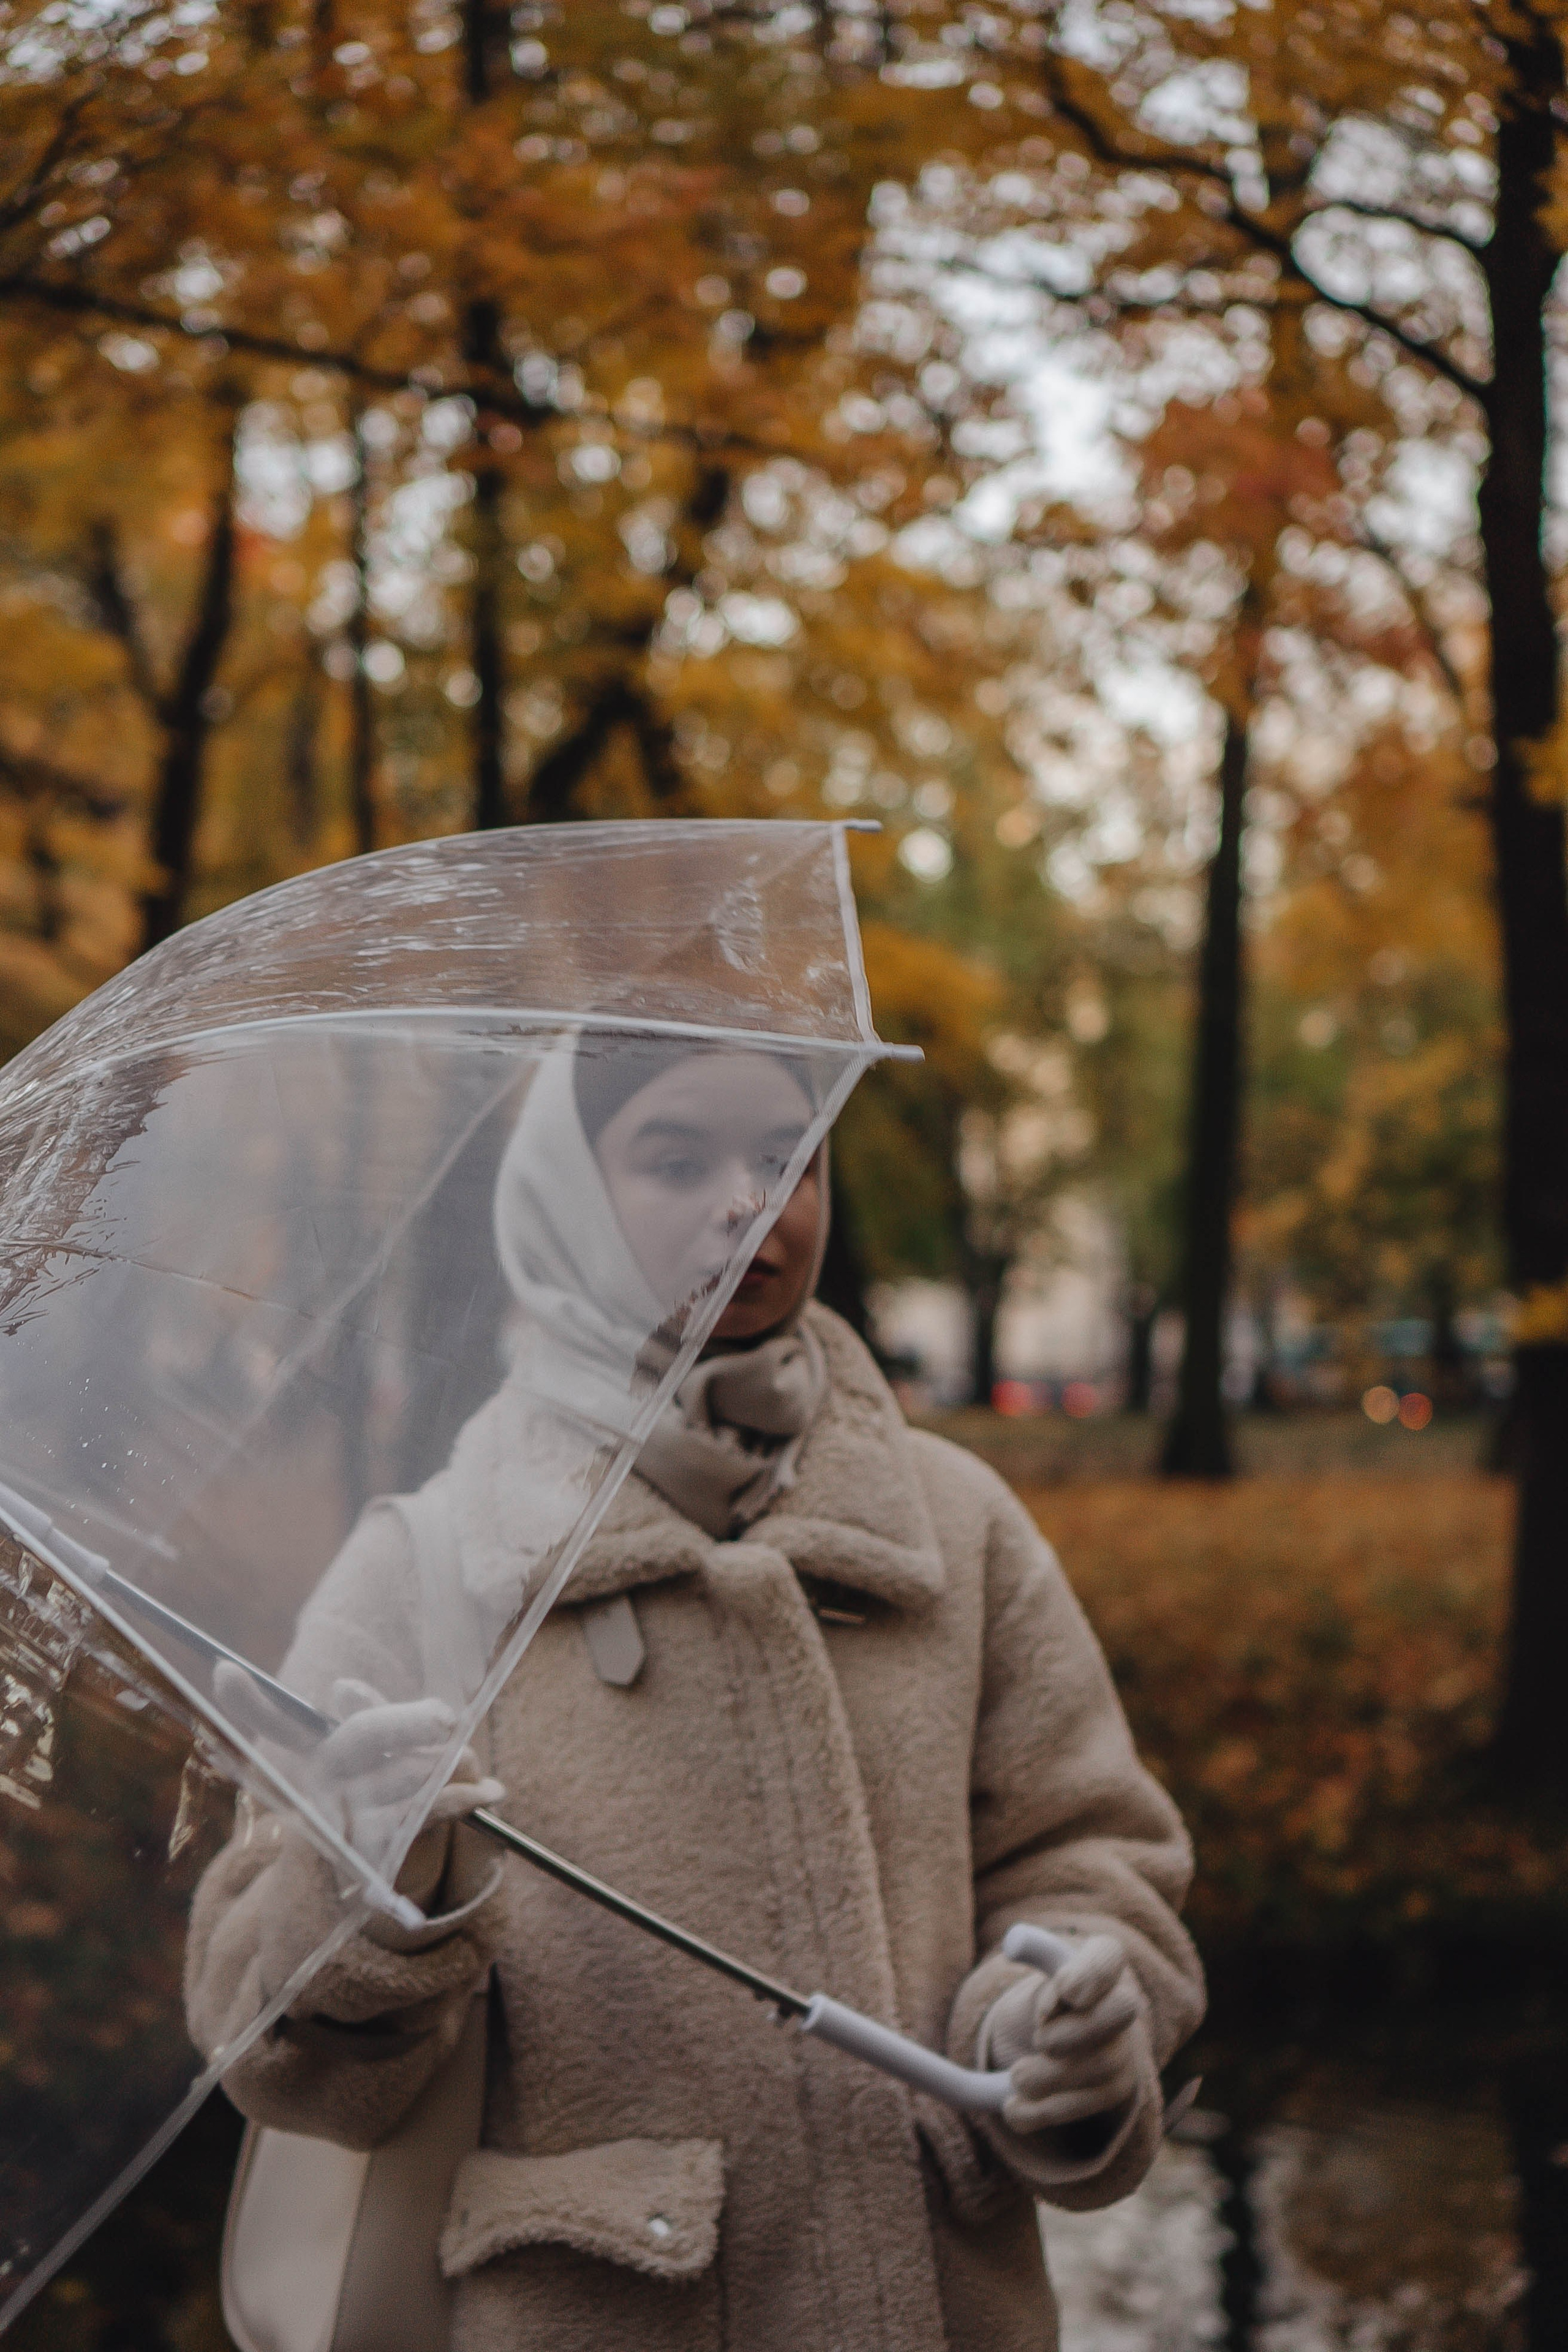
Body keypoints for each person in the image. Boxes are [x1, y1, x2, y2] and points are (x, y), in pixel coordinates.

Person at [187, 1033, 1204, 2352]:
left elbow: (1088, 1859)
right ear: (560, 1190)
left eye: (788, 1157)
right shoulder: (431, 1569)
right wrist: (375, 1882)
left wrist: (1047, 2021)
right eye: (676, 1158)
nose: (750, 1204)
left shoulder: (957, 1529)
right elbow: (264, 2035)